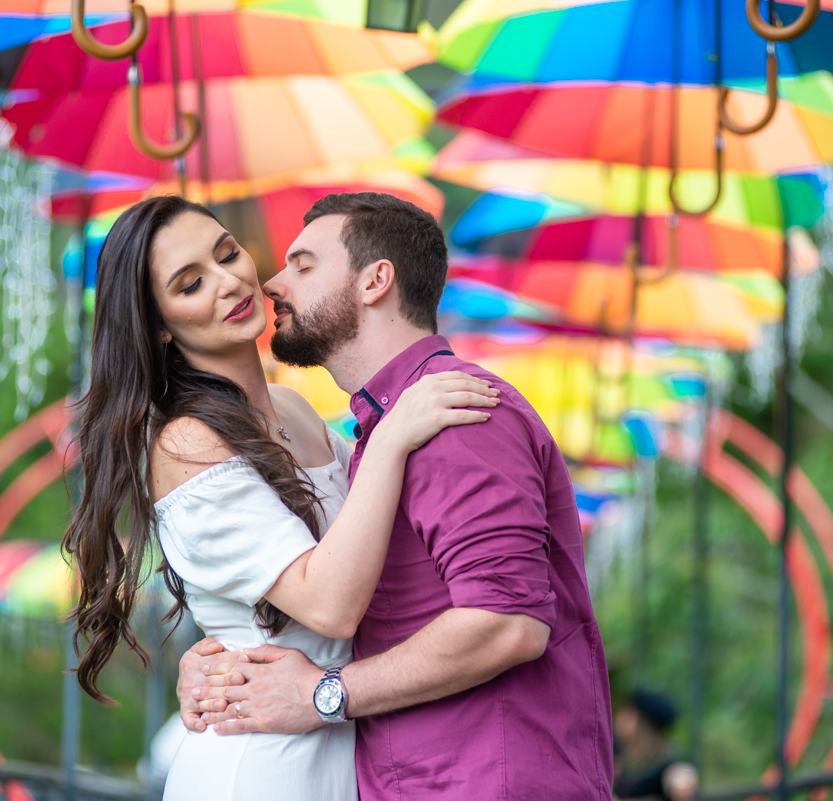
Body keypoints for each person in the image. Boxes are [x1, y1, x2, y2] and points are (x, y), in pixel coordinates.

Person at [62, 194, 500, 800]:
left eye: (226, 253)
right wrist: (395, 432)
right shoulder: (188, 442)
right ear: (160, 325)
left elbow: (384, 538)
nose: (229, 282)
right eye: (191, 284)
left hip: (339, 742)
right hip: (260, 763)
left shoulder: (294, 408)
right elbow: (330, 605)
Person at [177, 193, 615, 800]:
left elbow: (509, 624)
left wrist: (324, 693)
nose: (274, 282)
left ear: (375, 281)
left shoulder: (455, 413)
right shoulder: (383, 429)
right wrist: (226, 655)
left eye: (303, 266)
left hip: (487, 779)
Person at [613, 689, 698, 801]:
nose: (619, 716)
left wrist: (683, 780)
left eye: (628, 712)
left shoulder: (664, 765)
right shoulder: (619, 758)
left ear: (642, 723)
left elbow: (679, 775)